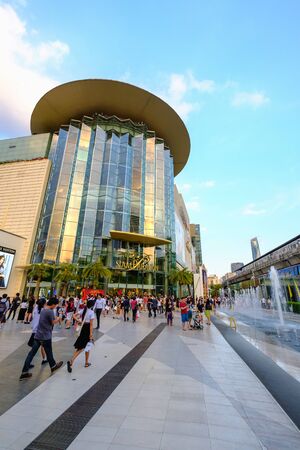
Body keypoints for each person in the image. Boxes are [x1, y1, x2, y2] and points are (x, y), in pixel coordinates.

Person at [19, 298, 63, 380]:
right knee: (49, 352)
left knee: (31, 353)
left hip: (38, 335)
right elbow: (53, 322)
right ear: (53, 304)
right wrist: (59, 318)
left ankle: (24, 372)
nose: (56, 306)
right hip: (45, 336)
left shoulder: (43, 310)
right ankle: (53, 366)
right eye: (56, 304)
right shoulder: (49, 311)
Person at [67, 300, 95, 372]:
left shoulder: (83, 310)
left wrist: (79, 321)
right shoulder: (91, 312)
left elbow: (73, 315)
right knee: (84, 347)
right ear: (92, 305)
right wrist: (91, 334)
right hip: (87, 330)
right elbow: (91, 325)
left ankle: (84, 362)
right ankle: (72, 362)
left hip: (83, 329)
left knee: (82, 347)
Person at [27, 299, 48, 365]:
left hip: (34, 331)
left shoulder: (36, 310)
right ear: (44, 304)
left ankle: (44, 359)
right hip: (40, 332)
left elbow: (33, 319)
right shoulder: (44, 311)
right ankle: (27, 365)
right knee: (37, 348)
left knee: (37, 347)